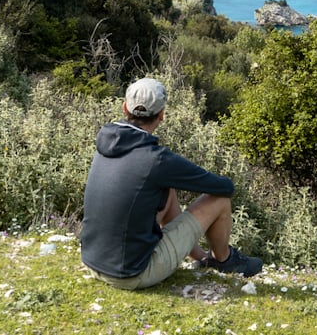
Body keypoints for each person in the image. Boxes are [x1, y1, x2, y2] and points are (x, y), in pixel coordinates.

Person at [81, 77, 262, 289]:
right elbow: (225, 188)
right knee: (220, 200)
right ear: (161, 114)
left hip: (93, 261)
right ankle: (225, 260)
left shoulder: (106, 141)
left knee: (165, 190)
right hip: (130, 274)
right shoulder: (156, 159)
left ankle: (201, 258)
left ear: (124, 108)